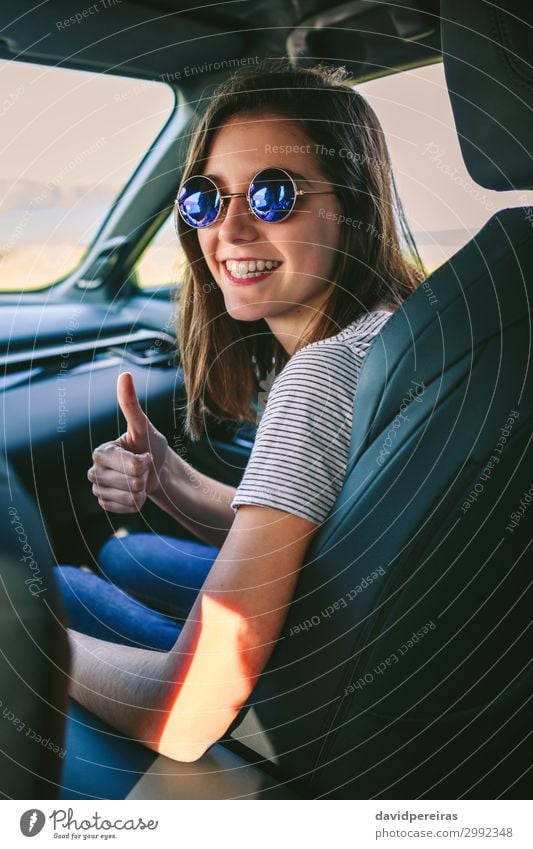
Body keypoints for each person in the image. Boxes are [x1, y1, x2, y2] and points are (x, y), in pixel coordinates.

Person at [59, 60, 424, 762]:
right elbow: (327, 525)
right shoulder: (392, 326)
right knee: (126, 548)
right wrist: (168, 476)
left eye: (273, 194)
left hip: (330, 700)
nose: (228, 228)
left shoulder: (320, 376)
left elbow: (189, 711)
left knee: (65, 588)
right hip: (369, 632)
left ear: (349, 204)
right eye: (205, 198)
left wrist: (31, 639)